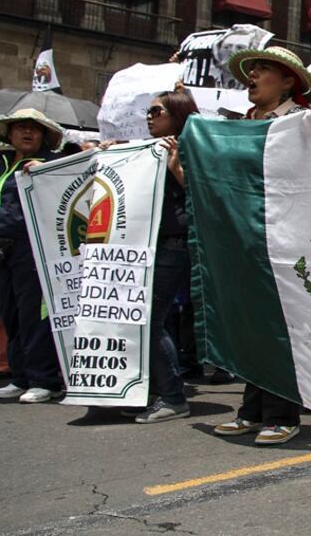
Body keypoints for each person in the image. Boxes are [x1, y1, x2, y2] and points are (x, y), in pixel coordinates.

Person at [212, 46, 311, 444]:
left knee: (279, 325)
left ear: (288, 81)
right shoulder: (243, 123)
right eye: (251, 71)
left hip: (287, 235)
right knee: (251, 324)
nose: (252, 77)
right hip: (248, 237)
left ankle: (282, 412)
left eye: (261, 71)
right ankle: (251, 409)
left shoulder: (304, 121)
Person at [131, 84, 200, 423]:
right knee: (152, 319)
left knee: (151, 319)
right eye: (147, 111)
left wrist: (177, 168)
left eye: (156, 111)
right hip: (151, 243)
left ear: (177, 115)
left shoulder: (190, 149)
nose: (149, 117)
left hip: (174, 244)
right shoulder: (148, 149)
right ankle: (159, 389)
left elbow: (205, 193)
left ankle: (173, 396)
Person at [0, 109, 64, 403]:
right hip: (2, 248)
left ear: (43, 136)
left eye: (34, 129)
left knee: (33, 315)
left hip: (31, 246)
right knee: (10, 314)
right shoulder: (1, 163)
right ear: (10, 134)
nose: (27, 133)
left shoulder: (49, 164)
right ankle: (20, 376)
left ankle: (44, 379)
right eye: (21, 128)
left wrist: (48, 172)